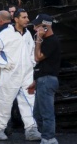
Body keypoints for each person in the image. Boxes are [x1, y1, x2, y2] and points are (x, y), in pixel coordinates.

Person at [0, 8, 41, 141]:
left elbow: (32, 49)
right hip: (10, 75)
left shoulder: (27, 34)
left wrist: (32, 62)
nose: (27, 19)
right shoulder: (6, 34)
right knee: (4, 102)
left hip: (26, 74)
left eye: (27, 17)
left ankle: (31, 129)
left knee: (29, 101)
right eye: (23, 17)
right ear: (16, 19)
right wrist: (3, 64)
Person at [28, 14, 61, 144]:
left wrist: (38, 41)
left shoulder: (52, 41)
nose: (35, 29)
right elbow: (42, 65)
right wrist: (35, 81)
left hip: (47, 80)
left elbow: (38, 58)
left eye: (37, 26)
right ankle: (46, 136)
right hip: (42, 80)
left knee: (46, 113)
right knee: (37, 114)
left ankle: (49, 138)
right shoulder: (47, 41)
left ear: (45, 27)